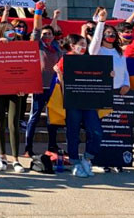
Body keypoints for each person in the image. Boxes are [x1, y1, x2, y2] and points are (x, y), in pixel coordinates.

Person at [55, 34, 103, 178]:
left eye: (84, 44)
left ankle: (87, 158)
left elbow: (98, 76)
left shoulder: (89, 59)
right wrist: (59, 75)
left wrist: (108, 75)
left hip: (89, 100)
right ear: (72, 45)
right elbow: (60, 83)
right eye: (80, 44)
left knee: (96, 132)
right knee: (73, 133)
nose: (83, 47)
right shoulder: (65, 59)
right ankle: (75, 161)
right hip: (73, 101)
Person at [0, 20, 28, 172]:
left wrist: (24, 87)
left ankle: (16, 159)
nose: (12, 31)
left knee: (13, 123)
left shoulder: (20, 46)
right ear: (0, 32)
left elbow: (25, 67)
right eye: (7, 29)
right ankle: (2, 156)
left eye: (13, 29)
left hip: (14, 88)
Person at [24, 2, 62, 157]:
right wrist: (38, 12)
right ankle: (28, 148)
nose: (46, 36)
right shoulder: (37, 45)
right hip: (39, 86)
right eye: (44, 34)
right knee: (34, 117)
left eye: (49, 34)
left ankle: (52, 146)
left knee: (52, 119)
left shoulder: (57, 49)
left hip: (54, 88)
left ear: (54, 37)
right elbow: (36, 29)